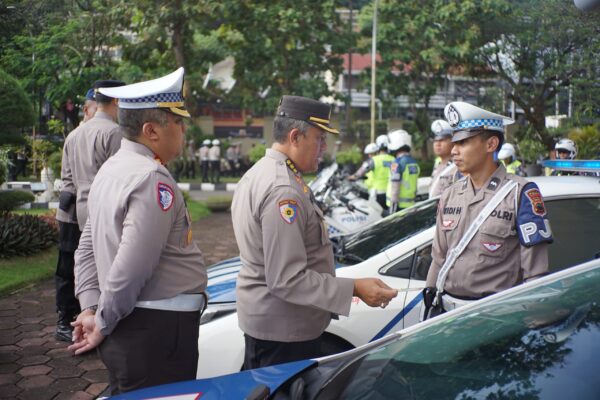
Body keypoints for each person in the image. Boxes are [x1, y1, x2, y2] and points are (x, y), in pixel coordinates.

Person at [231, 95, 398, 370]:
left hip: (274, 324)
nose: (324, 148)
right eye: (319, 139)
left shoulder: (265, 173)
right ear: (295, 137)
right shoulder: (283, 190)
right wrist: (355, 288)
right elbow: (287, 279)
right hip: (284, 334)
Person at [69, 68, 207, 395]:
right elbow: (131, 268)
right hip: (154, 331)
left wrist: (90, 307)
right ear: (151, 130)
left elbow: (85, 246)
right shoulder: (151, 179)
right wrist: (101, 322)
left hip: (133, 327)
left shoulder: (111, 169)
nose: (183, 130)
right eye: (177, 122)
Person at [423, 101, 552, 320]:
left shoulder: (520, 193)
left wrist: (534, 324)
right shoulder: (450, 194)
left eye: (463, 142)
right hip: (447, 317)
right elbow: (439, 257)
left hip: (495, 319)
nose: (453, 150)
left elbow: (535, 274)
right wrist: (429, 296)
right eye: (454, 142)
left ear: (491, 144)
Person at [53, 87, 98, 342]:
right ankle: (64, 318)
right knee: (68, 267)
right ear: (86, 109)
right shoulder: (76, 136)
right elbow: (68, 178)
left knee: (88, 266)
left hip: (88, 211)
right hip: (72, 213)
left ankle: (85, 315)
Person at [67, 79, 126, 231]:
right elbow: (120, 179)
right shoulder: (114, 132)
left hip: (82, 210)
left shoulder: (74, 134)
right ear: (116, 100)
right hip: (106, 211)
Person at [349, 142, 394, 210]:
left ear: (378, 150)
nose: (369, 156)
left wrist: (350, 177)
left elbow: (360, 172)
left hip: (378, 193)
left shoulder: (374, 160)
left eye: (371, 154)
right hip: (390, 193)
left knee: (376, 213)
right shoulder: (393, 159)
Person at [386, 129, 420, 213]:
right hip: (411, 205)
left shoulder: (396, 163)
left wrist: (392, 210)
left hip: (398, 207)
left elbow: (395, 188)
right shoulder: (414, 162)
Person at [429, 119, 462, 198]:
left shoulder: (458, 166)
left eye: (442, 140)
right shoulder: (438, 164)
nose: (437, 144)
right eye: (435, 141)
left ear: (453, 142)